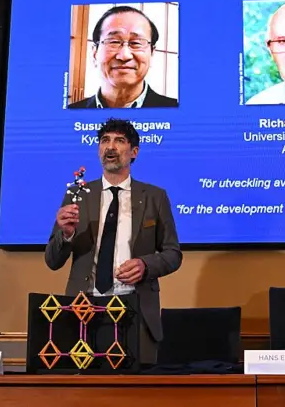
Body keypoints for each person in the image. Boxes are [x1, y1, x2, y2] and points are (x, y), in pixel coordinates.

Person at [44, 117, 182, 364]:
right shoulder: (77, 195)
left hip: (136, 309)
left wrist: (146, 265)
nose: (110, 147)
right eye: (105, 140)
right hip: (85, 309)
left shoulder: (154, 197)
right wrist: (66, 235)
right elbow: (53, 261)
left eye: (119, 141)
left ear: (134, 152)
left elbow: (173, 254)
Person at [69, 5, 178, 108]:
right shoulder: (70, 113)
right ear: (94, 53)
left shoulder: (176, 109)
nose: (124, 56)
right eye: (114, 42)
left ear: (152, 53)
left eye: (136, 43)